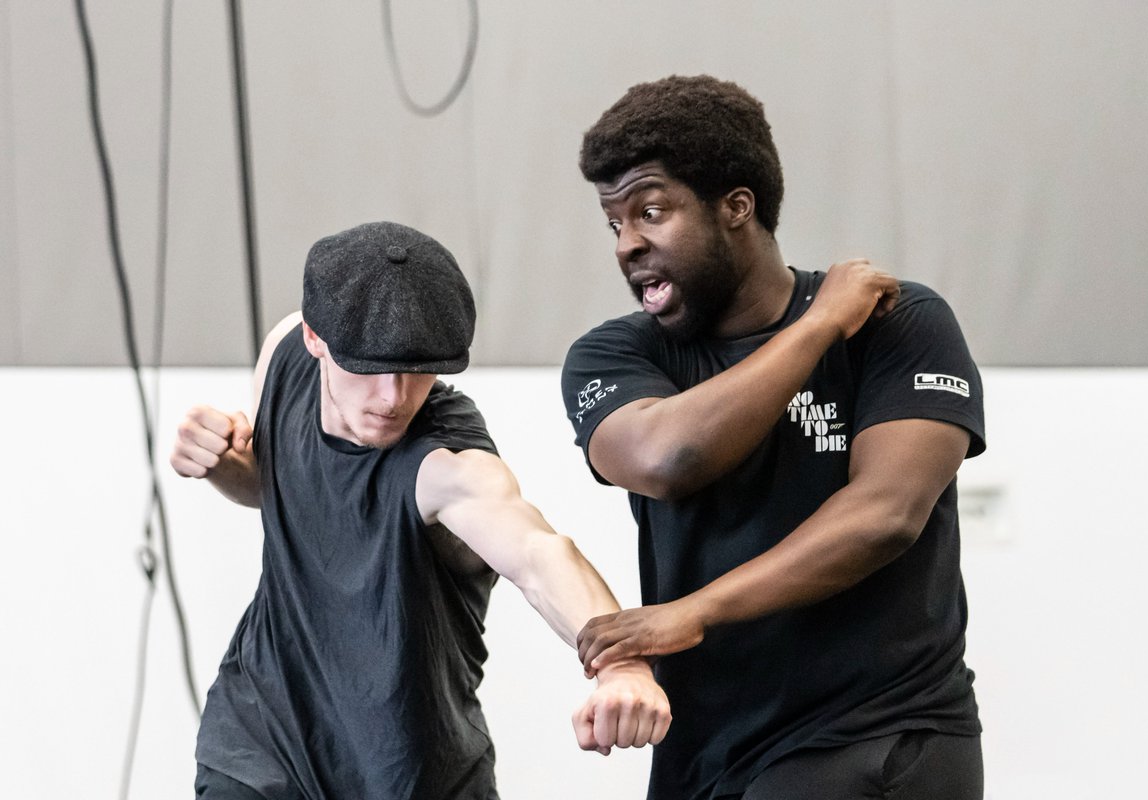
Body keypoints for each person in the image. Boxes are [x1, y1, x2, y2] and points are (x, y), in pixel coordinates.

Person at [560, 75, 987, 799]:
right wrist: (818, 326)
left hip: (875, 735)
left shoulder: (898, 322)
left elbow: (884, 516)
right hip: (705, 751)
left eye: (652, 212)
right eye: (615, 223)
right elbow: (669, 458)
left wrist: (696, 610)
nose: (628, 245)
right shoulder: (615, 356)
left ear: (736, 207)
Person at [170, 221, 671, 800]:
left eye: (418, 370)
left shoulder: (446, 462)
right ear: (316, 338)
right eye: (370, 368)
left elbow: (538, 555)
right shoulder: (284, 354)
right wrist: (223, 463)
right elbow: (276, 487)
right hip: (262, 739)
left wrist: (622, 665)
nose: (393, 397)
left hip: (410, 770)